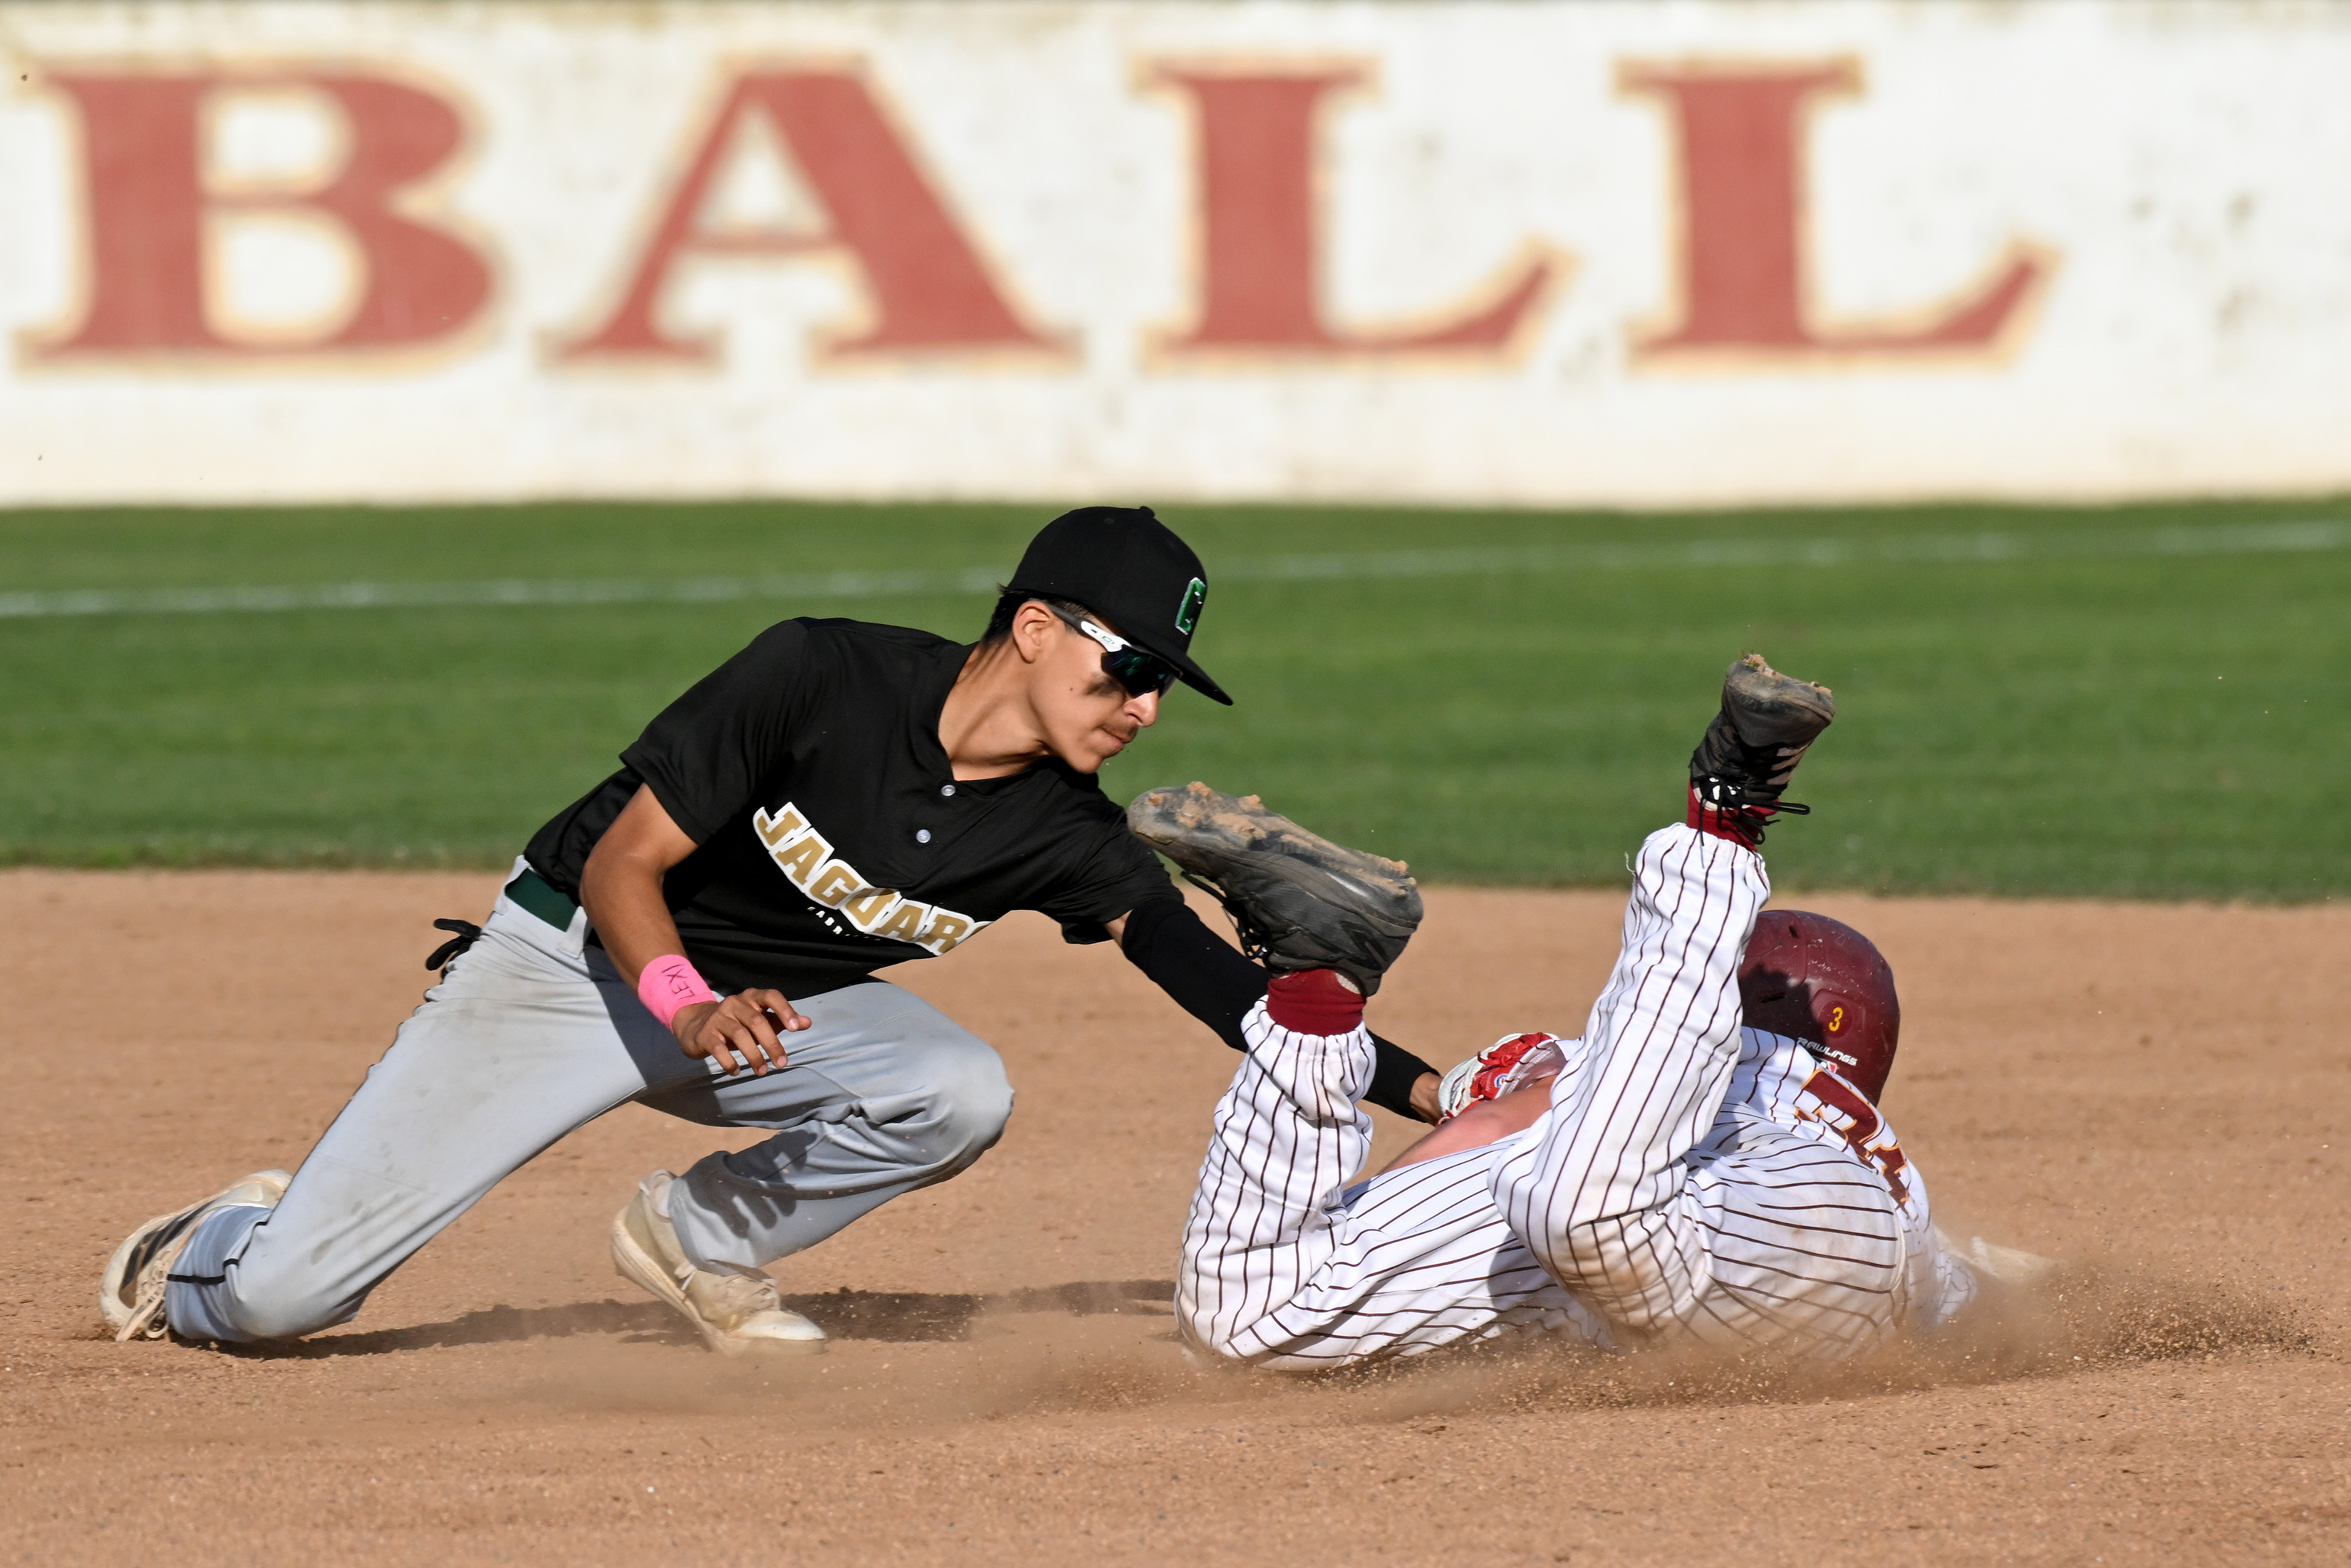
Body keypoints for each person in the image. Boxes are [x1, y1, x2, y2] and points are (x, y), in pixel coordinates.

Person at [99, 506, 1447, 1356]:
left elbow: (1223, 991)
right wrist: (684, 1000)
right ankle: (221, 1244)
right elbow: (630, 861)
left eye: (1168, 687)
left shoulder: (1064, 835)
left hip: (766, 1027)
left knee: (953, 1088)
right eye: (1133, 667)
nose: (1147, 708)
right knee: (279, 1311)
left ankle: (701, 1240)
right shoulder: (823, 676)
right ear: (1036, 628)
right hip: (573, 963)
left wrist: (1432, 1089)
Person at [1143, 655, 2045, 1369]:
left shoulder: (1792, 1107)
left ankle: (1726, 820)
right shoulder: (1882, 1185)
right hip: (1640, 1245)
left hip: (1739, 1224)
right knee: (1247, 1323)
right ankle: (1317, 983)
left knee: (1580, 1207)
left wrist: (1371, 1228)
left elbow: (1496, 1119)